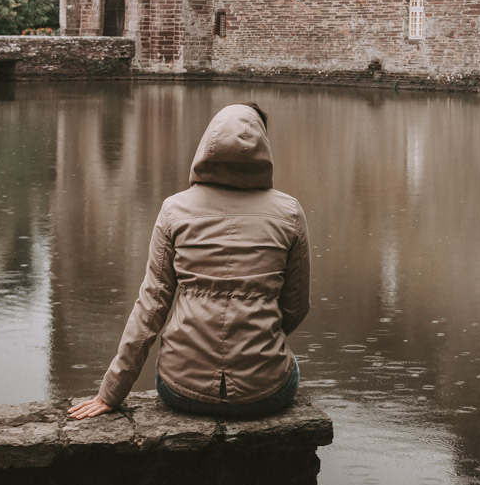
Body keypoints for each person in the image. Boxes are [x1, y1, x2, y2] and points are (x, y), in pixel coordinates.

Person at [69, 102, 310, 419]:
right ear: (264, 148)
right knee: (289, 367)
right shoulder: (289, 213)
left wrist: (112, 391)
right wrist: (256, 337)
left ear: (208, 144)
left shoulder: (174, 210)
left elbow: (151, 308)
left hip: (180, 389)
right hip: (262, 393)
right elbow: (296, 307)